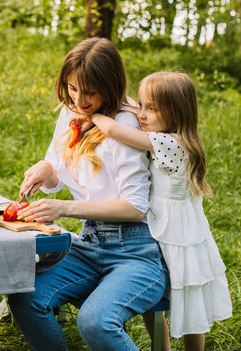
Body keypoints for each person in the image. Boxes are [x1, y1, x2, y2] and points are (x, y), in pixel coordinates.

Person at [8, 37, 168, 351]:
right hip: (90, 242)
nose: (79, 100)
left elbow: (135, 206)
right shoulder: (71, 114)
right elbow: (62, 170)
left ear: (110, 86)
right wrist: (46, 169)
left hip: (134, 251)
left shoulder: (124, 124)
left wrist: (63, 207)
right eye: (72, 88)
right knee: (24, 296)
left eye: (90, 92)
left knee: (96, 321)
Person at [91, 71, 232, 351]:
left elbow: (114, 130)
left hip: (176, 235)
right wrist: (126, 101)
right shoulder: (169, 134)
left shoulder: (173, 143)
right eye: (141, 105)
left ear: (176, 112)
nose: (141, 114)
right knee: (152, 298)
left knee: (189, 299)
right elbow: (133, 106)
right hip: (157, 227)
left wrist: (93, 114)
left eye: (151, 108)